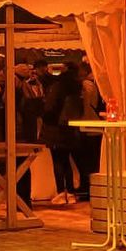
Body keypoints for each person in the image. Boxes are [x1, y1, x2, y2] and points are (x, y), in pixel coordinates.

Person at [44, 65, 83, 204]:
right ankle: (71, 192)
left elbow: (49, 107)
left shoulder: (57, 87)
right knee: (66, 160)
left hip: (56, 128)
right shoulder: (77, 88)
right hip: (70, 127)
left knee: (57, 160)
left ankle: (61, 192)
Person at [74, 61, 103, 200]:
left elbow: (86, 106)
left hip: (89, 127)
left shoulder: (86, 85)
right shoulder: (95, 83)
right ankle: (92, 187)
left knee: (88, 161)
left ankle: (88, 188)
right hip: (95, 126)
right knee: (93, 160)